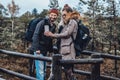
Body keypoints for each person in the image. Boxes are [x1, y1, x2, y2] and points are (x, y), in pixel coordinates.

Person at [45, 4, 78, 80]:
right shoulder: (65, 23)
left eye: (65, 15)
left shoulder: (72, 22)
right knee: (67, 72)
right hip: (64, 50)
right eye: (62, 15)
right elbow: (61, 29)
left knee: (69, 71)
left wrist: (53, 35)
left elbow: (67, 34)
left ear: (70, 13)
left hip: (69, 51)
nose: (63, 16)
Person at [30, 8, 59, 80]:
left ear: (57, 16)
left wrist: (50, 50)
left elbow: (49, 39)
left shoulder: (53, 26)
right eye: (52, 15)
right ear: (49, 15)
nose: (53, 17)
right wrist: (37, 49)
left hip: (45, 50)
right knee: (40, 71)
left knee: (44, 70)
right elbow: (35, 35)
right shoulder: (42, 23)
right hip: (38, 50)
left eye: (55, 15)